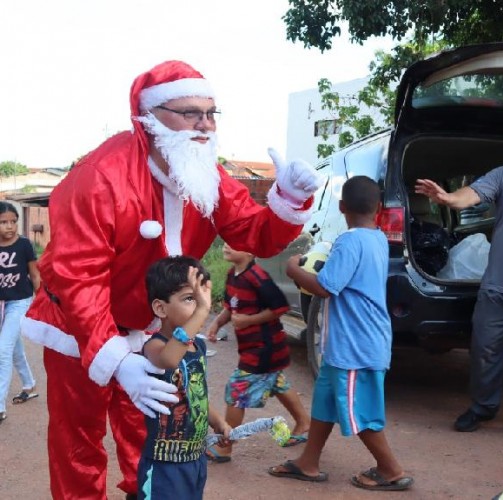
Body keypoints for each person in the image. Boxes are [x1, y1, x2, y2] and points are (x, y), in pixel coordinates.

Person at [20, 60, 322, 499]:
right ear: (150, 116)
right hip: (77, 326)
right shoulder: (100, 176)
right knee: (78, 441)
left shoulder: (206, 174)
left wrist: (291, 198)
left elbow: (253, 233)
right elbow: (79, 278)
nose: (204, 124)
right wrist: (119, 362)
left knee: (150, 436)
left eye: (211, 113)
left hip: (150, 329)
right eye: (190, 112)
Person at [268, 176, 414, 491]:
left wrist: (294, 269)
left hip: (355, 347)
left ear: (341, 207)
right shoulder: (376, 237)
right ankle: (308, 462)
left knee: (358, 411)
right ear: (378, 209)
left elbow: (324, 287)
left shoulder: (349, 241)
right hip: (348, 345)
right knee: (325, 403)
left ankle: (390, 469)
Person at [415, 122, 503, 445]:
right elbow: (471, 195)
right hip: (497, 290)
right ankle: (482, 408)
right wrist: (448, 198)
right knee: (486, 353)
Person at [205, 242, 310, 462]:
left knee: (237, 391)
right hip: (255, 348)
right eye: (227, 241)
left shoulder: (258, 277)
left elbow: (280, 307)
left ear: (251, 251)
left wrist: (249, 320)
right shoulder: (233, 274)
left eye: (236, 243)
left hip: (264, 348)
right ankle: (304, 422)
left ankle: (226, 445)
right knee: (276, 382)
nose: (227, 245)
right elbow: (230, 305)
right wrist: (216, 324)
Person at [139, 255, 230, 500]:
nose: (201, 305)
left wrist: (218, 422)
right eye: (190, 298)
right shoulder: (154, 346)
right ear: (160, 308)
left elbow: (196, 395)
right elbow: (169, 359)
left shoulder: (197, 346)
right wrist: (202, 311)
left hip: (194, 459)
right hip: (164, 464)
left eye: (202, 298)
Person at [0, 202, 41, 423]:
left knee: (2, 350)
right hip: (1, 304)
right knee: (13, 348)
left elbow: (35, 275)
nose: (10, 226)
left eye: (13, 222)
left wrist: (42, 302)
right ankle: (29, 384)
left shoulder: (24, 245)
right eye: (4, 222)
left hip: (20, 302)